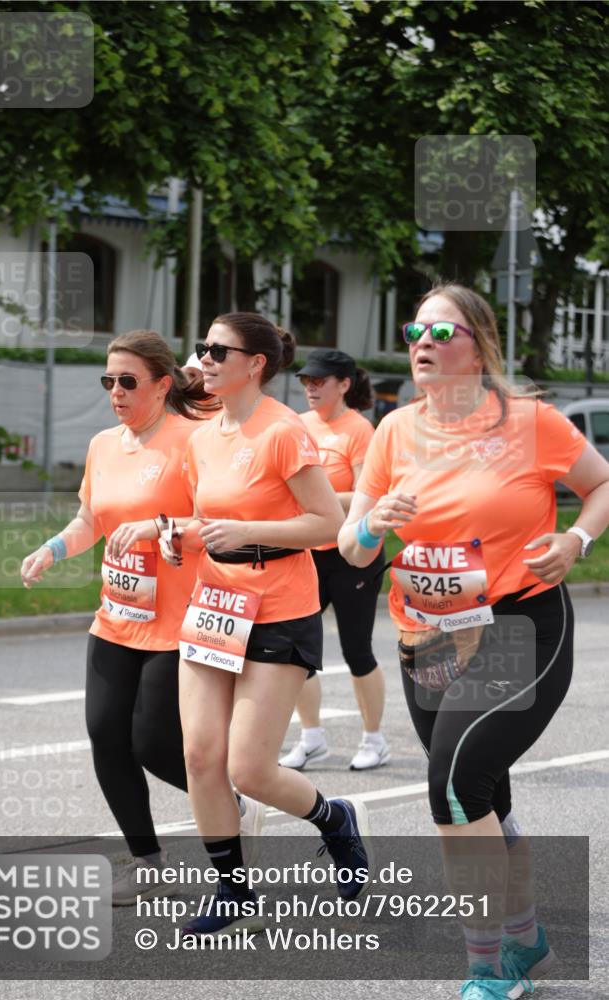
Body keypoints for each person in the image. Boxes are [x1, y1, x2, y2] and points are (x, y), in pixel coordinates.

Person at [338, 285, 609, 999]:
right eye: (413, 329)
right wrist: (373, 522)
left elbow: (601, 483)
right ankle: (525, 940)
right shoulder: (393, 430)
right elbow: (353, 547)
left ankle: (486, 967)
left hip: (517, 625)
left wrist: (575, 538)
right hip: (425, 636)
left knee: (453, 787)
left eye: (441, 330)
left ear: (478, 344)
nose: (422, 342)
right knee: (483, 791)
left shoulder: (530, 422)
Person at [20, 330, 262, 905]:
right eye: (108, 381)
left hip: (183, 619)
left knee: (154, 742)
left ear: (162, 384)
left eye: (128, 381)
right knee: (106, 735)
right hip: (117, 616)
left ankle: (231, 805)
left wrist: (165, 531)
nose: (116, 392)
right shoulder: (105, 445)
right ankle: (146, 859)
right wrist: (52, 549)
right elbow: (89, 520)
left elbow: (219, 522)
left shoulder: (196, 441)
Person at [161, 312, 373, 937]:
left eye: (217, 350)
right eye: (201, 347)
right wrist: (183, 539)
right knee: (201, 755)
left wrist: (249, 532)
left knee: (248, 769)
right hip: (215, 603)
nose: (203, 358)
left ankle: (333, 818)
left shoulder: (282, 432)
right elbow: (208, 518)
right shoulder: (202, 433)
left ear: (255, 363)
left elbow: (329, 523)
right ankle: (232, 887)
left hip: (280, 604)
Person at [279, 348, 390, 771]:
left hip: (354, 554)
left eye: (320, 381)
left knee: (356, 649)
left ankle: (375, 740)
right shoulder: (298, 425)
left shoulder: (360, 430)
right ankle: (311, 738)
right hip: (310, 550)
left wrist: (317, 498)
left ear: (343, 384)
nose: (310, 388)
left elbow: (368, 494)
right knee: (297, 648)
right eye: (306, 381)